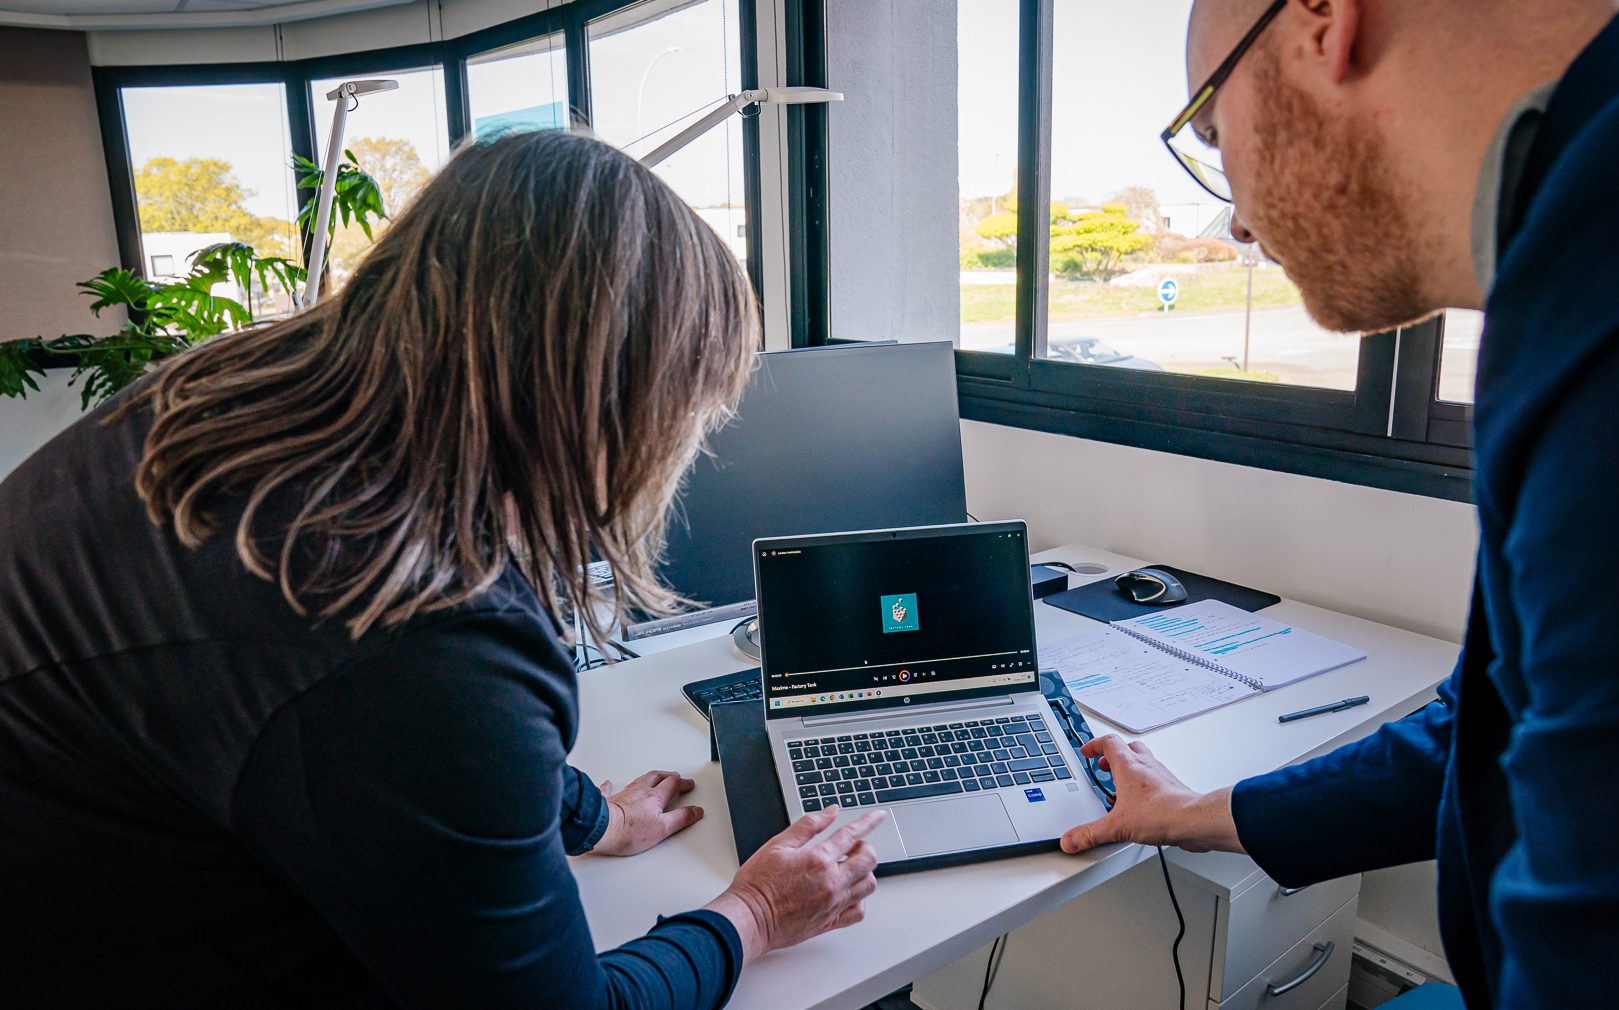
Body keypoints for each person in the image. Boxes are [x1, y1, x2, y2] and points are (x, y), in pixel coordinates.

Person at [0, 130, 882, 1009]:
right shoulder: (422, 620)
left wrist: (593, 819)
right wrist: (757, 914)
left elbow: (363, 726)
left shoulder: (212, 400)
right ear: (607, 400)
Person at [1059, 1, 1619, 1007]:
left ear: (1320, 23)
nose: (1230, 214)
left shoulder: (1593, 283)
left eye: (1210, 134)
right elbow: (1484, 726)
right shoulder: (1559, 248)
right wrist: (1197, 808)